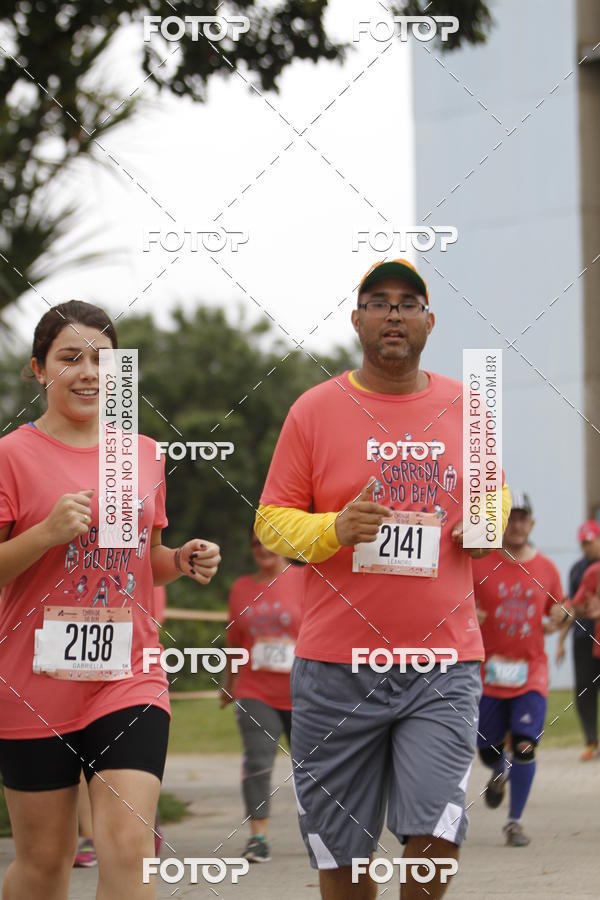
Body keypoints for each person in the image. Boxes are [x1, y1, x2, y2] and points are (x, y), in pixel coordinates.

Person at [254, 259, 511, 899]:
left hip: (441, 662)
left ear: (428, 320)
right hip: (336, 665)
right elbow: (271, 523)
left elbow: (494, 497)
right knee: (341, 855)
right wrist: (333, 530)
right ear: (357, 320)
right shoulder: (314, 410)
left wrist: (485, 524)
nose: (393, 313)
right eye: (378, 302)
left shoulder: (467, 407)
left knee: (437, 829)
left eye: (407, 302)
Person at [0, 300, 220, 900]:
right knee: (44, 862)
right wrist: (43, 533)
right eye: (70, 358)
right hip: (32, 681)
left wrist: (180, 561)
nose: (89, 371)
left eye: (102, 359)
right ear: (39, 370)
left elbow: (141, 562)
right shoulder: (11, 456)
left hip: (128, 676)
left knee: (127, 844)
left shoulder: (142, 454)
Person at [472, 492, 562, 848]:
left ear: (532, 524)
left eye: (523, 518)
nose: (517, 524)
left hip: (531, 673)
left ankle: (514, 822)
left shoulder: (546, 569)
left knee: (525, 745)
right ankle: (497, 770)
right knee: (486, 747)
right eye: (511, 518)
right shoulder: (480, 564)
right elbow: (457, 600)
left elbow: (561, 609)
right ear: (501, 523)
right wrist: (468, 613)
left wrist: (561, 617)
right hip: (489, 673)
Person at [220, 530, 303, 863]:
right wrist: (229, 683)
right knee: (257, 760)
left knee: (315, 766)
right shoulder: (241, 588)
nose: (262, 548)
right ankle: (258, 837)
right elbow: (235, 639)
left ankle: (326, 830)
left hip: (303, 691)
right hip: (255, 690)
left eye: (269, 541)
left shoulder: (305, 578)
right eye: (255, 543)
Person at [73, 585, 169, 868]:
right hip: (57, 671)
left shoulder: (141, 564)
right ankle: (92, 833)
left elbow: (150, 622)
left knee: (126, 763)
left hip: (125, 673)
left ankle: (137, 820)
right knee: (78, 761)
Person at [555, 520, 600, 760]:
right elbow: (572, 607)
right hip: (583, 636)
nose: (586, 547)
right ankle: (591, 741)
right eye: (583, 543)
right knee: (584, 690)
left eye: (590, 542)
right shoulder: (576, 570)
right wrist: (561, 641)